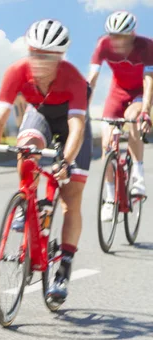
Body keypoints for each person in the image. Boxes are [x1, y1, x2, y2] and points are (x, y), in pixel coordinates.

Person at [0, 19, 92, 305]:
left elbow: (76, 126)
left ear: (60, 57)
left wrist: (66, 161)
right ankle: (27, 202)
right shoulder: (16, 72)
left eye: (47, 56)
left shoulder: (73, 78)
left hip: (72, 127)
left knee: (71, 198)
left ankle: (63, 270)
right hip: (41, 116)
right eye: (34, 52)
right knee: (26, 147)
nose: (39, 61)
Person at [88, 11, 153, 221]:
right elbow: (92, 79)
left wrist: (146, 111)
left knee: (132, 118)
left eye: (122, 37)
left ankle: (138, 176)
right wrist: (81, 111)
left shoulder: (146, 46)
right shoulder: (103, 45)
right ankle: (109, 198)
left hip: (139, 93)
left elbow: (149, 80)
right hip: (117, 93)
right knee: (107, 144)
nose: (117, 42)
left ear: (132, 35)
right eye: (114, 36)